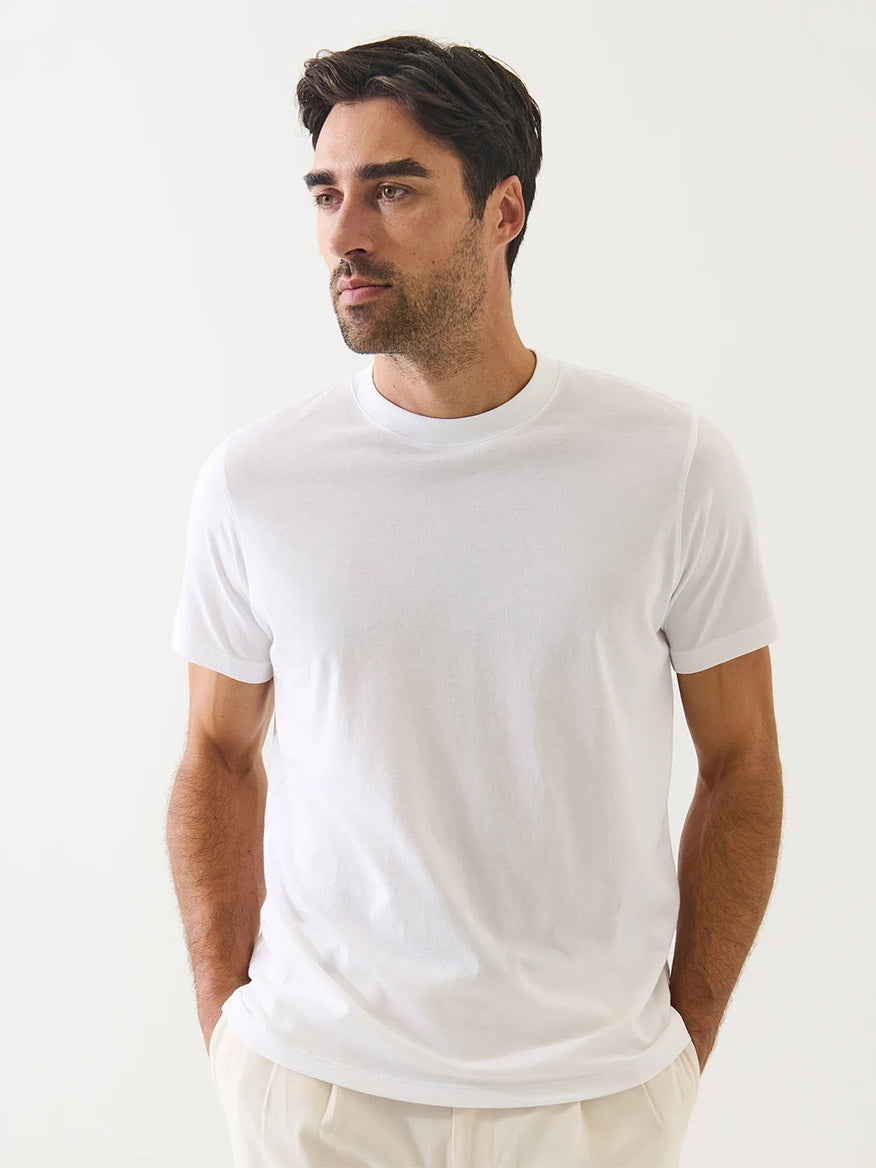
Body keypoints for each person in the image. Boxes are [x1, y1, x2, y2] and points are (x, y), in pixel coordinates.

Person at [166, 33, 783, 1168]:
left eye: (394, 189)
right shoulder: (257, 481)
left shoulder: (671, 465)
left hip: (590, 1102)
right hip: (321, 1092)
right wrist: (230, 1029)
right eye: (327, 192)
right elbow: (217, 752)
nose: (346, 232)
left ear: (504, 211)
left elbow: (741, 762)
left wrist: (681, 1046)